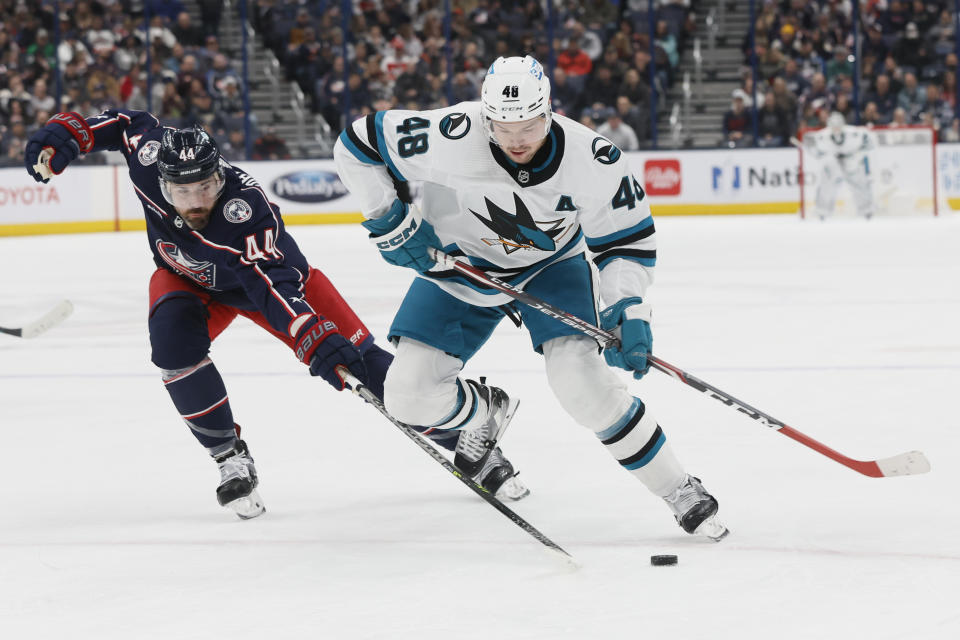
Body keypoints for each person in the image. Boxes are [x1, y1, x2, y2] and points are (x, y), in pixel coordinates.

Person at [23, 109, 528, 519]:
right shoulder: (150, 157)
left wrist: (311, 333)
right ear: (162, 182)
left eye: (206, 187)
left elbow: (270, 285)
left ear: (218, 174)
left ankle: (470, 435)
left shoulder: (246, 211)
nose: (198, 201)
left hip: (269, 287)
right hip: (188, 280)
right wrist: (65, 136)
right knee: (173, 347)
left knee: (365, 367)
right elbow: (120, 124)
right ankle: (229, 457)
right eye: (184, 193)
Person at [333, 55, 729, 541]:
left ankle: (678, 487)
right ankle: (483, 414)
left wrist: (629, 309)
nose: (517, 138)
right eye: (503, 126)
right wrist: (389, 219)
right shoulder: (450, 134)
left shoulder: (594, 159)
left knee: (582, 386)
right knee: (407, 397)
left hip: (552, 268)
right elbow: (357, 143)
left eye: (529, 124)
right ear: (485, 116)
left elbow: (626, 242)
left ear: (548, 111)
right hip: (461, 264)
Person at [804, 111, 877, 219]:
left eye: (838, 126)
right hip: (833, 162)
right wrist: (820, 154)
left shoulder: (854, 133)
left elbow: (870, 141)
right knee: (826, 185)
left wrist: (859, 154)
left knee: (860, 184)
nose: (836, 129)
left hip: (850, 161)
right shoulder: (822, 136)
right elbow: (812, 147)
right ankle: (822, 211)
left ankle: (867, 210)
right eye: (834, 127)